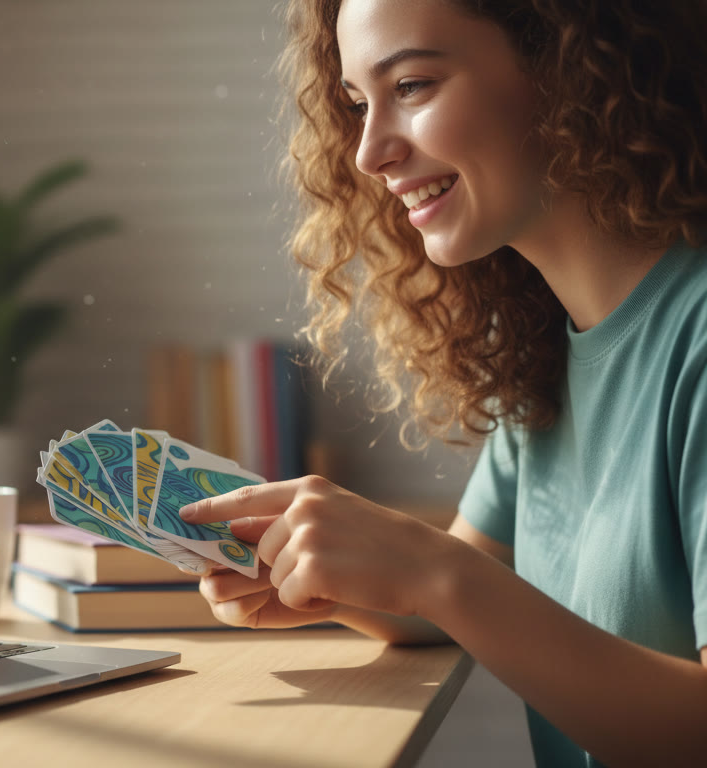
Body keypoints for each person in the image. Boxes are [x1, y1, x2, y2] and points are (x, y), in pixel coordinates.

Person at [178, 1, 707, 765]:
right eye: (358, 104)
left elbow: (459, 584)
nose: (368, 153)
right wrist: (318, 568)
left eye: (414, 85)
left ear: (570, 68)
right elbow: (477, 585)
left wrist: (431, 571)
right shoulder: (547, 358)